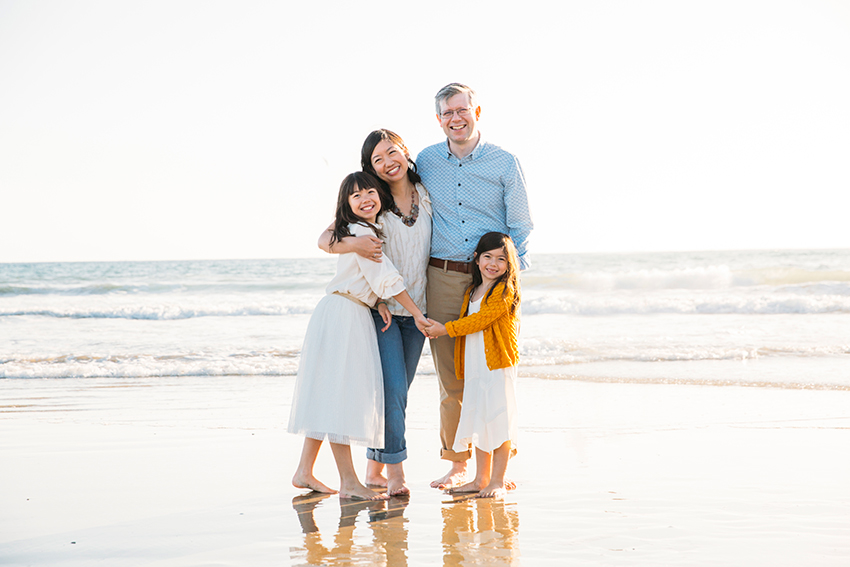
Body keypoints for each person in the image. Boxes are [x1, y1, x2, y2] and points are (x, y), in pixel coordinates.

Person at [416, 83, 533, 489]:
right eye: (447, 113)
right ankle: (458, 463)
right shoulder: (427, 160)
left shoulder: (504, 162)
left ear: (476, 111)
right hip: (444, 277)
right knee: (453, 379)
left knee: (496, 373)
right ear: (438, 119)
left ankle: (498, 470)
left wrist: (510, 283)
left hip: (492, 277)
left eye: (461, 110)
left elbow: (520, 226)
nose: (455, 118)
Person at [290, 171, 428, 501]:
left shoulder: (360, 229)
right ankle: (349, 482)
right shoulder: (362, 232)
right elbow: (387, 278)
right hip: (345, 314)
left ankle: (304, 471)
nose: (365, 198)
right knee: (340, 397)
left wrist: (376, 301)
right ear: (346, 205)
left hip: (346, 309)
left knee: (330, 394)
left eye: (370, 192)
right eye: (356, 196)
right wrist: (419, 314)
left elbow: (372, 282)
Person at [424, 232, 521, 498]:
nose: (494, 263)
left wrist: (445, 329)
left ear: (510, 264)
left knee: (499, 421)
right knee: (481, 420)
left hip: (497, 366)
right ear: (476, 260)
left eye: (501, 259)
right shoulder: (472, 290)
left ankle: (497, 480)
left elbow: (480, 322)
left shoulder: (503, 290)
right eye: (487, 257)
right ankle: (481, 479)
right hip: (477, 367)